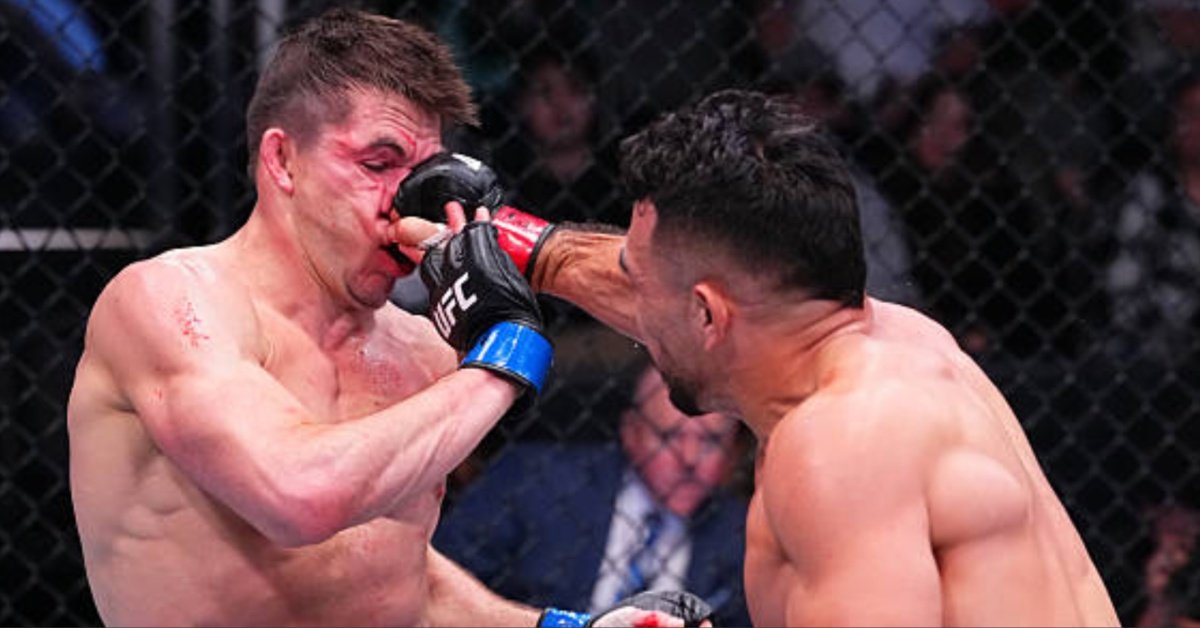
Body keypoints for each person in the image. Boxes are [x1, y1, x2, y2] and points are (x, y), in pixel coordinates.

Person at [66, 8, 709, 627]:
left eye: (427, 174)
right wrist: (506, 349)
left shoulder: (426, 350)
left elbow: (393, 578)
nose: (406, 201)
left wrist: (559, 627)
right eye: (377, 165)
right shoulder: (173, 304)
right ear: (282, 160)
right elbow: (300, 497)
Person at [392, 89, 1121, 626]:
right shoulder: (904, 342)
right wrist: (515, 244)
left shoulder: (836, 447)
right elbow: (675, 292)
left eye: (639, 278)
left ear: (708, 316)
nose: (630, 295)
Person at [436, 359, 751, 626]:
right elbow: (442, 578)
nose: (690, 459)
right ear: (632, 432)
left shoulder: (740, 533)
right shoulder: (538, 481)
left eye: (710, 442)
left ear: (732, 450)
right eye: (670, 437)